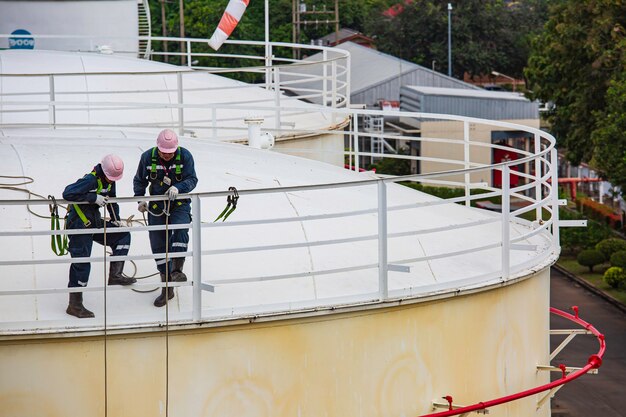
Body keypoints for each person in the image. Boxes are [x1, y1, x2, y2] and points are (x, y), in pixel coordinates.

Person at [63, 154, 136, 319]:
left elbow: (112, 201)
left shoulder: (109, 180)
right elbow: (68, 193)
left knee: (122, 236)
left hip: (94, 222)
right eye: (110, 178)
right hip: (80, 225)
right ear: (103, 171)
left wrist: (116, 220)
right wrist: (92, 198)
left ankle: (115, 275)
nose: (111, 181)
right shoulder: (90, 180)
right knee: (82, 264)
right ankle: (74, 305)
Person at [133, 129, 198, 307]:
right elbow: (139, 180)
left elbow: (192, 179)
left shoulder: (185, 156)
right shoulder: (148, 158)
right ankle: (166, 288)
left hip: (179, 204)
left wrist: (180, 187)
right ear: (158, 148)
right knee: (159, 244)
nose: (167, 156)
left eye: (170, 153)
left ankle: (177, 270)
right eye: (164, 152)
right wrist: (140, 200)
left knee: (180, 229)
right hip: (156, 207)